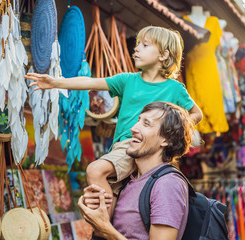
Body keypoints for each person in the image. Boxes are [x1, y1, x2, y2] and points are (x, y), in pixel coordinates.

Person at [25, 26, 203, 215]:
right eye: (137, 44)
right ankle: (105, 229)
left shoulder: (175, 89)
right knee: (114, 197)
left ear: (163, 55)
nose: (137, 49)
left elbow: (196, 114)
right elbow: (91, 82)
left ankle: (103, 227)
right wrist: (55, 83)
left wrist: (171, 135)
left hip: (139, 147)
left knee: (95, 170)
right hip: (121, 147)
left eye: (145, 45)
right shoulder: (128, 80)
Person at [78, 101, 194, 240]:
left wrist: (105, 229)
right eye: (138, 121)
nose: (133, 128)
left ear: (165, 140)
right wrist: (94, 212)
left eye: (146, 124)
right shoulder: (128, 180)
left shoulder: (167, 184)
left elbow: (107, 231)